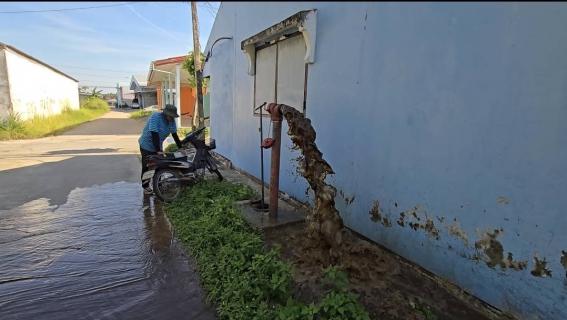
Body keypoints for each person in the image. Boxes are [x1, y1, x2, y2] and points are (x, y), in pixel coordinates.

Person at [138, 104, 185, 195]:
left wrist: (180, 148)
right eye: (170, 116)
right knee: (147, 166)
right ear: (165, 113)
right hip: (146, 145)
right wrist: (158, 150)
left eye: (172, 116)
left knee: (159, 165)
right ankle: (146, 187)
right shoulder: (155, 117)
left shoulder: (171, 121)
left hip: (158, 145)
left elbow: (174, 134)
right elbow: (154, 134)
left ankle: (158, 185)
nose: (171, 118)